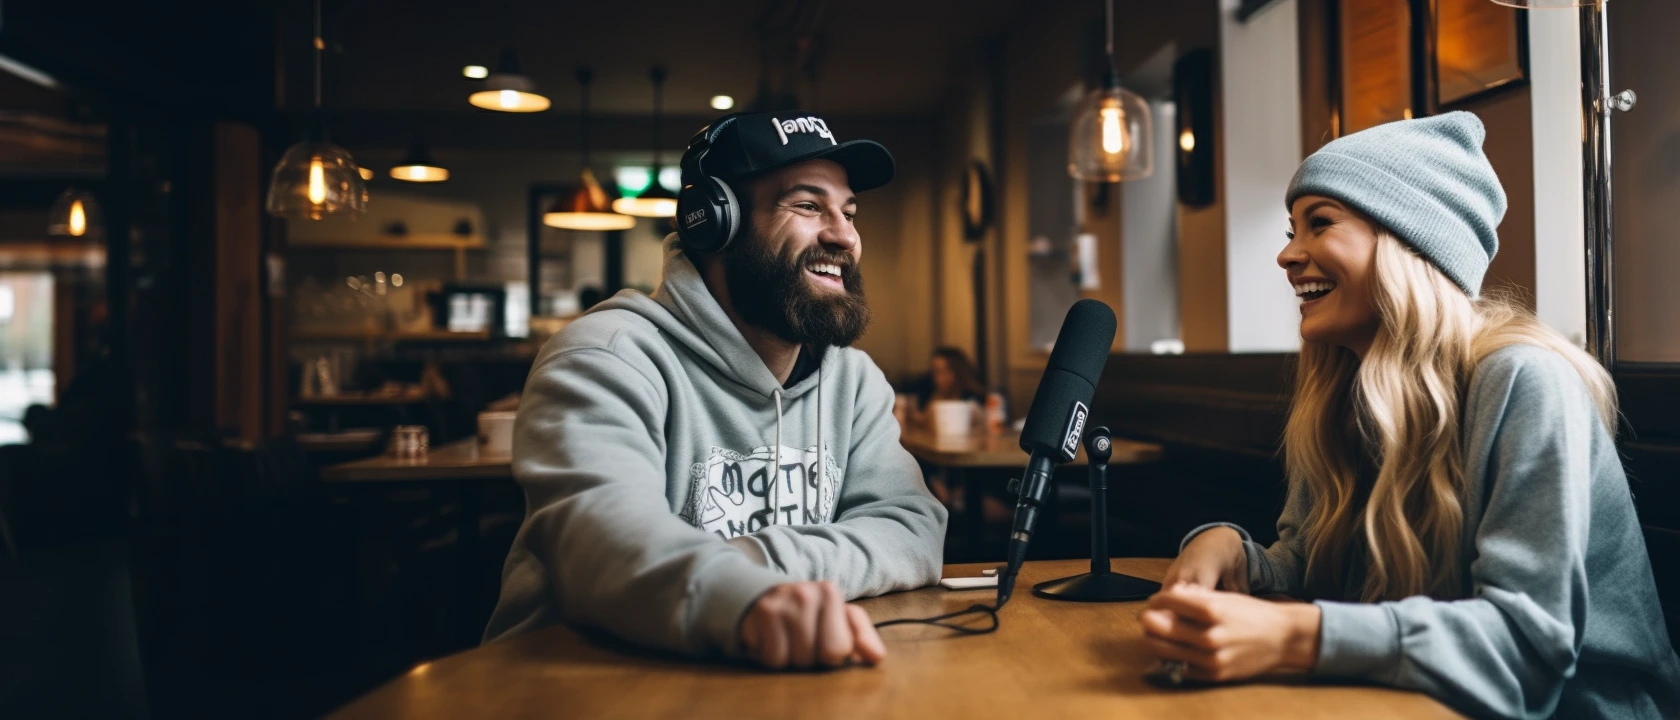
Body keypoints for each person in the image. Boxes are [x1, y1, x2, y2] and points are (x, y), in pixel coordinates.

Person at [1142, 112, 1680, 719]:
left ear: (1408, 241)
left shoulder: (1526, 382)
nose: (1287, 255)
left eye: (1319, 224)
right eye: (1291, 229)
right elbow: (1305, 564)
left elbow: (1528, 650)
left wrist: (1296, 638)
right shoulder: (1344, 393)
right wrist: (1232, 550)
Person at [484, 111, 947, 670]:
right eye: (806, 205)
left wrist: (753, 566)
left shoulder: (853, 381)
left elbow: (914, 529)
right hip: (576, 686)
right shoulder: (603, 357)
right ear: (712, 222)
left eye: (849, 212)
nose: (844, 234)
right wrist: (745, 596)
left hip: (763, 685)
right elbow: (602, 544)